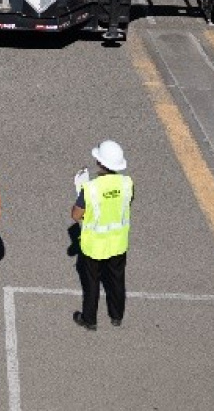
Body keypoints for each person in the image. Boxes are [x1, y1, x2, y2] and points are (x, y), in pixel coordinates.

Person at [70, 139, 133, 330]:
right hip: (118, 243)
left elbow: (76, 215)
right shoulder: (127, 183)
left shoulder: (90, 188)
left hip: (94, 246)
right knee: (117, 280)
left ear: (101, 163)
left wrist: (80, 191)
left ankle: (89, 319)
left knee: (92, 283)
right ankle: (116, 316)